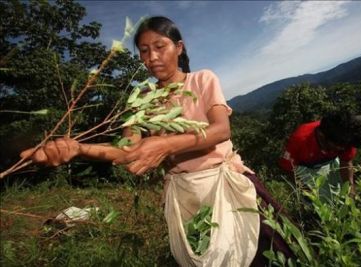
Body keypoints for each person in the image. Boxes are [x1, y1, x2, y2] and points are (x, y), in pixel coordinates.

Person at [21, 16, 292, 265]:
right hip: (185, 197)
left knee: (266, 255)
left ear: (179, 47)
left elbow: (221, 130)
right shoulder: (142, 100)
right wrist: (78, 148)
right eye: (144, 51)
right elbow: (127, 152)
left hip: (225, 184)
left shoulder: (201, 80)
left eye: (160, 47)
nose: (152, 57)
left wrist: (164, 144)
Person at [279, 111, 361, 199]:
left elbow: (346, 162)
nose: (342, 149)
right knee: (319, 200)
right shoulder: (300, 139)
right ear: (321, 136)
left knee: (341, 194)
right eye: (337, 146)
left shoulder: (346, 137)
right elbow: (288, 169)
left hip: (330, 162)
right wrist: (306, 191)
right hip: (304, 167)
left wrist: (350, 188)